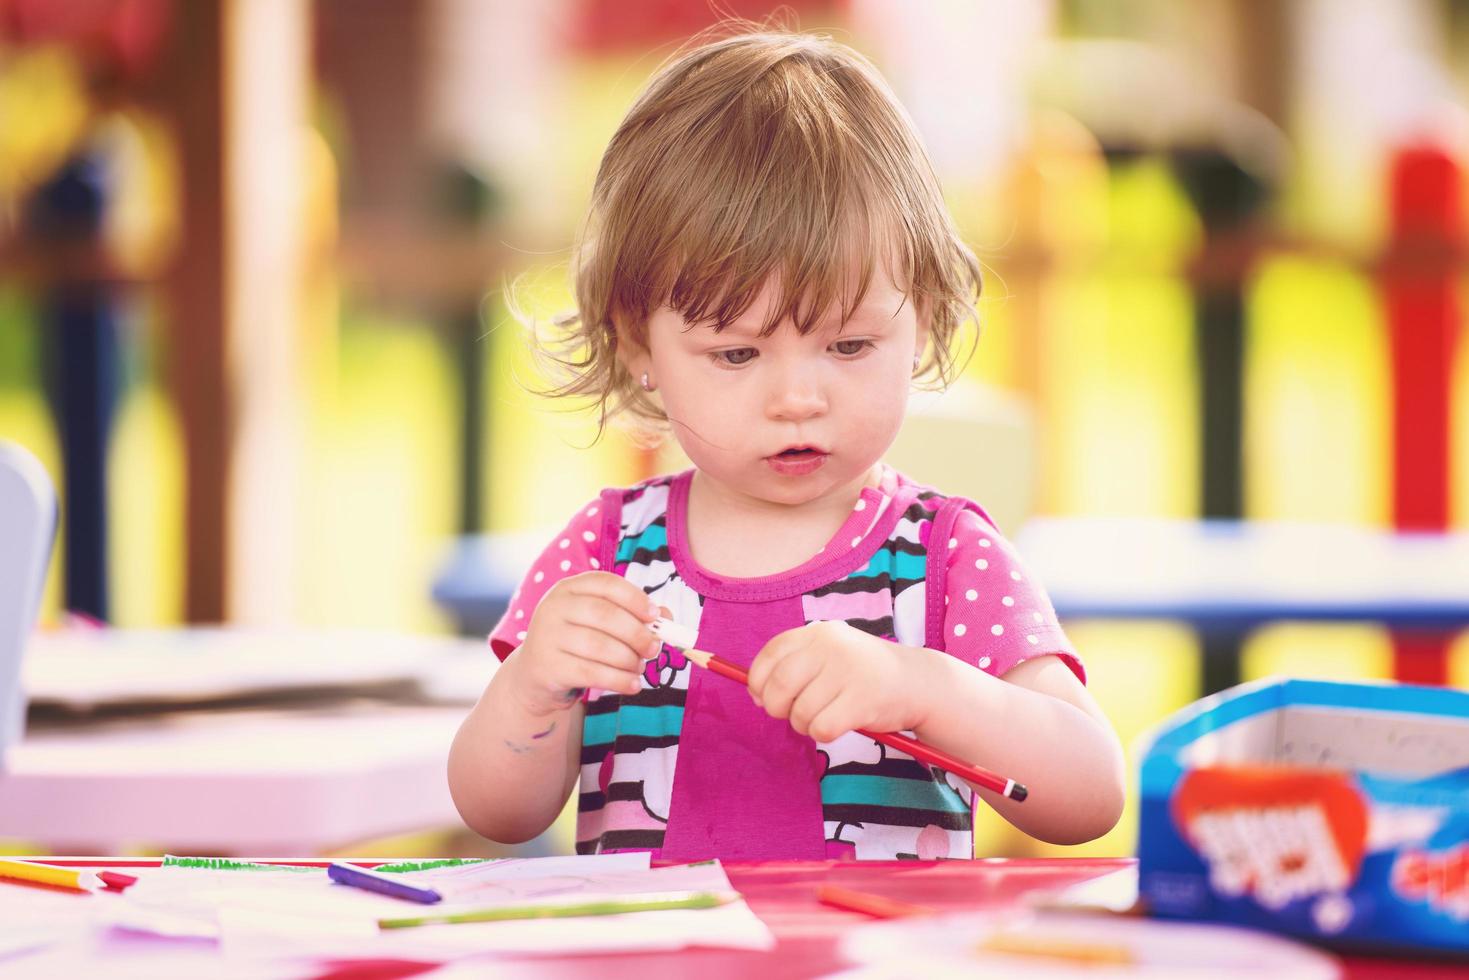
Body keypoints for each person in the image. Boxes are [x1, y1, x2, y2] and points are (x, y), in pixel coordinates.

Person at [448, 27, 1125, 861]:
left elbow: (1090, 793)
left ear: (920, 323)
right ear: (637, 347)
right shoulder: (607, 553)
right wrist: (532, 688)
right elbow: (497, 813)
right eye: (736, 354)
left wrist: (925, 686)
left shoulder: (944, 558)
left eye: (849, 347)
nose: (799, 398)